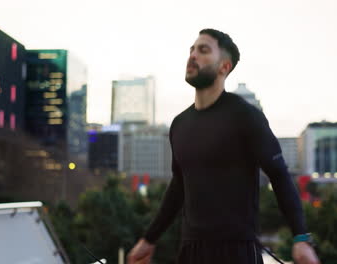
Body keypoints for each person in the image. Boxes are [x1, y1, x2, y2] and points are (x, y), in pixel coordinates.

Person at [127, 28, 320, 264]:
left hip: (237, 251)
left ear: (224, 67)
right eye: (192, 49)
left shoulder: (245, 115)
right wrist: (149, 239)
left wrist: (300, 237)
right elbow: (179, 187)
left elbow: (279, 175)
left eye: (203, 50)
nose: (193, 55)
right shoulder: (179, 125)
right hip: (191, 251)